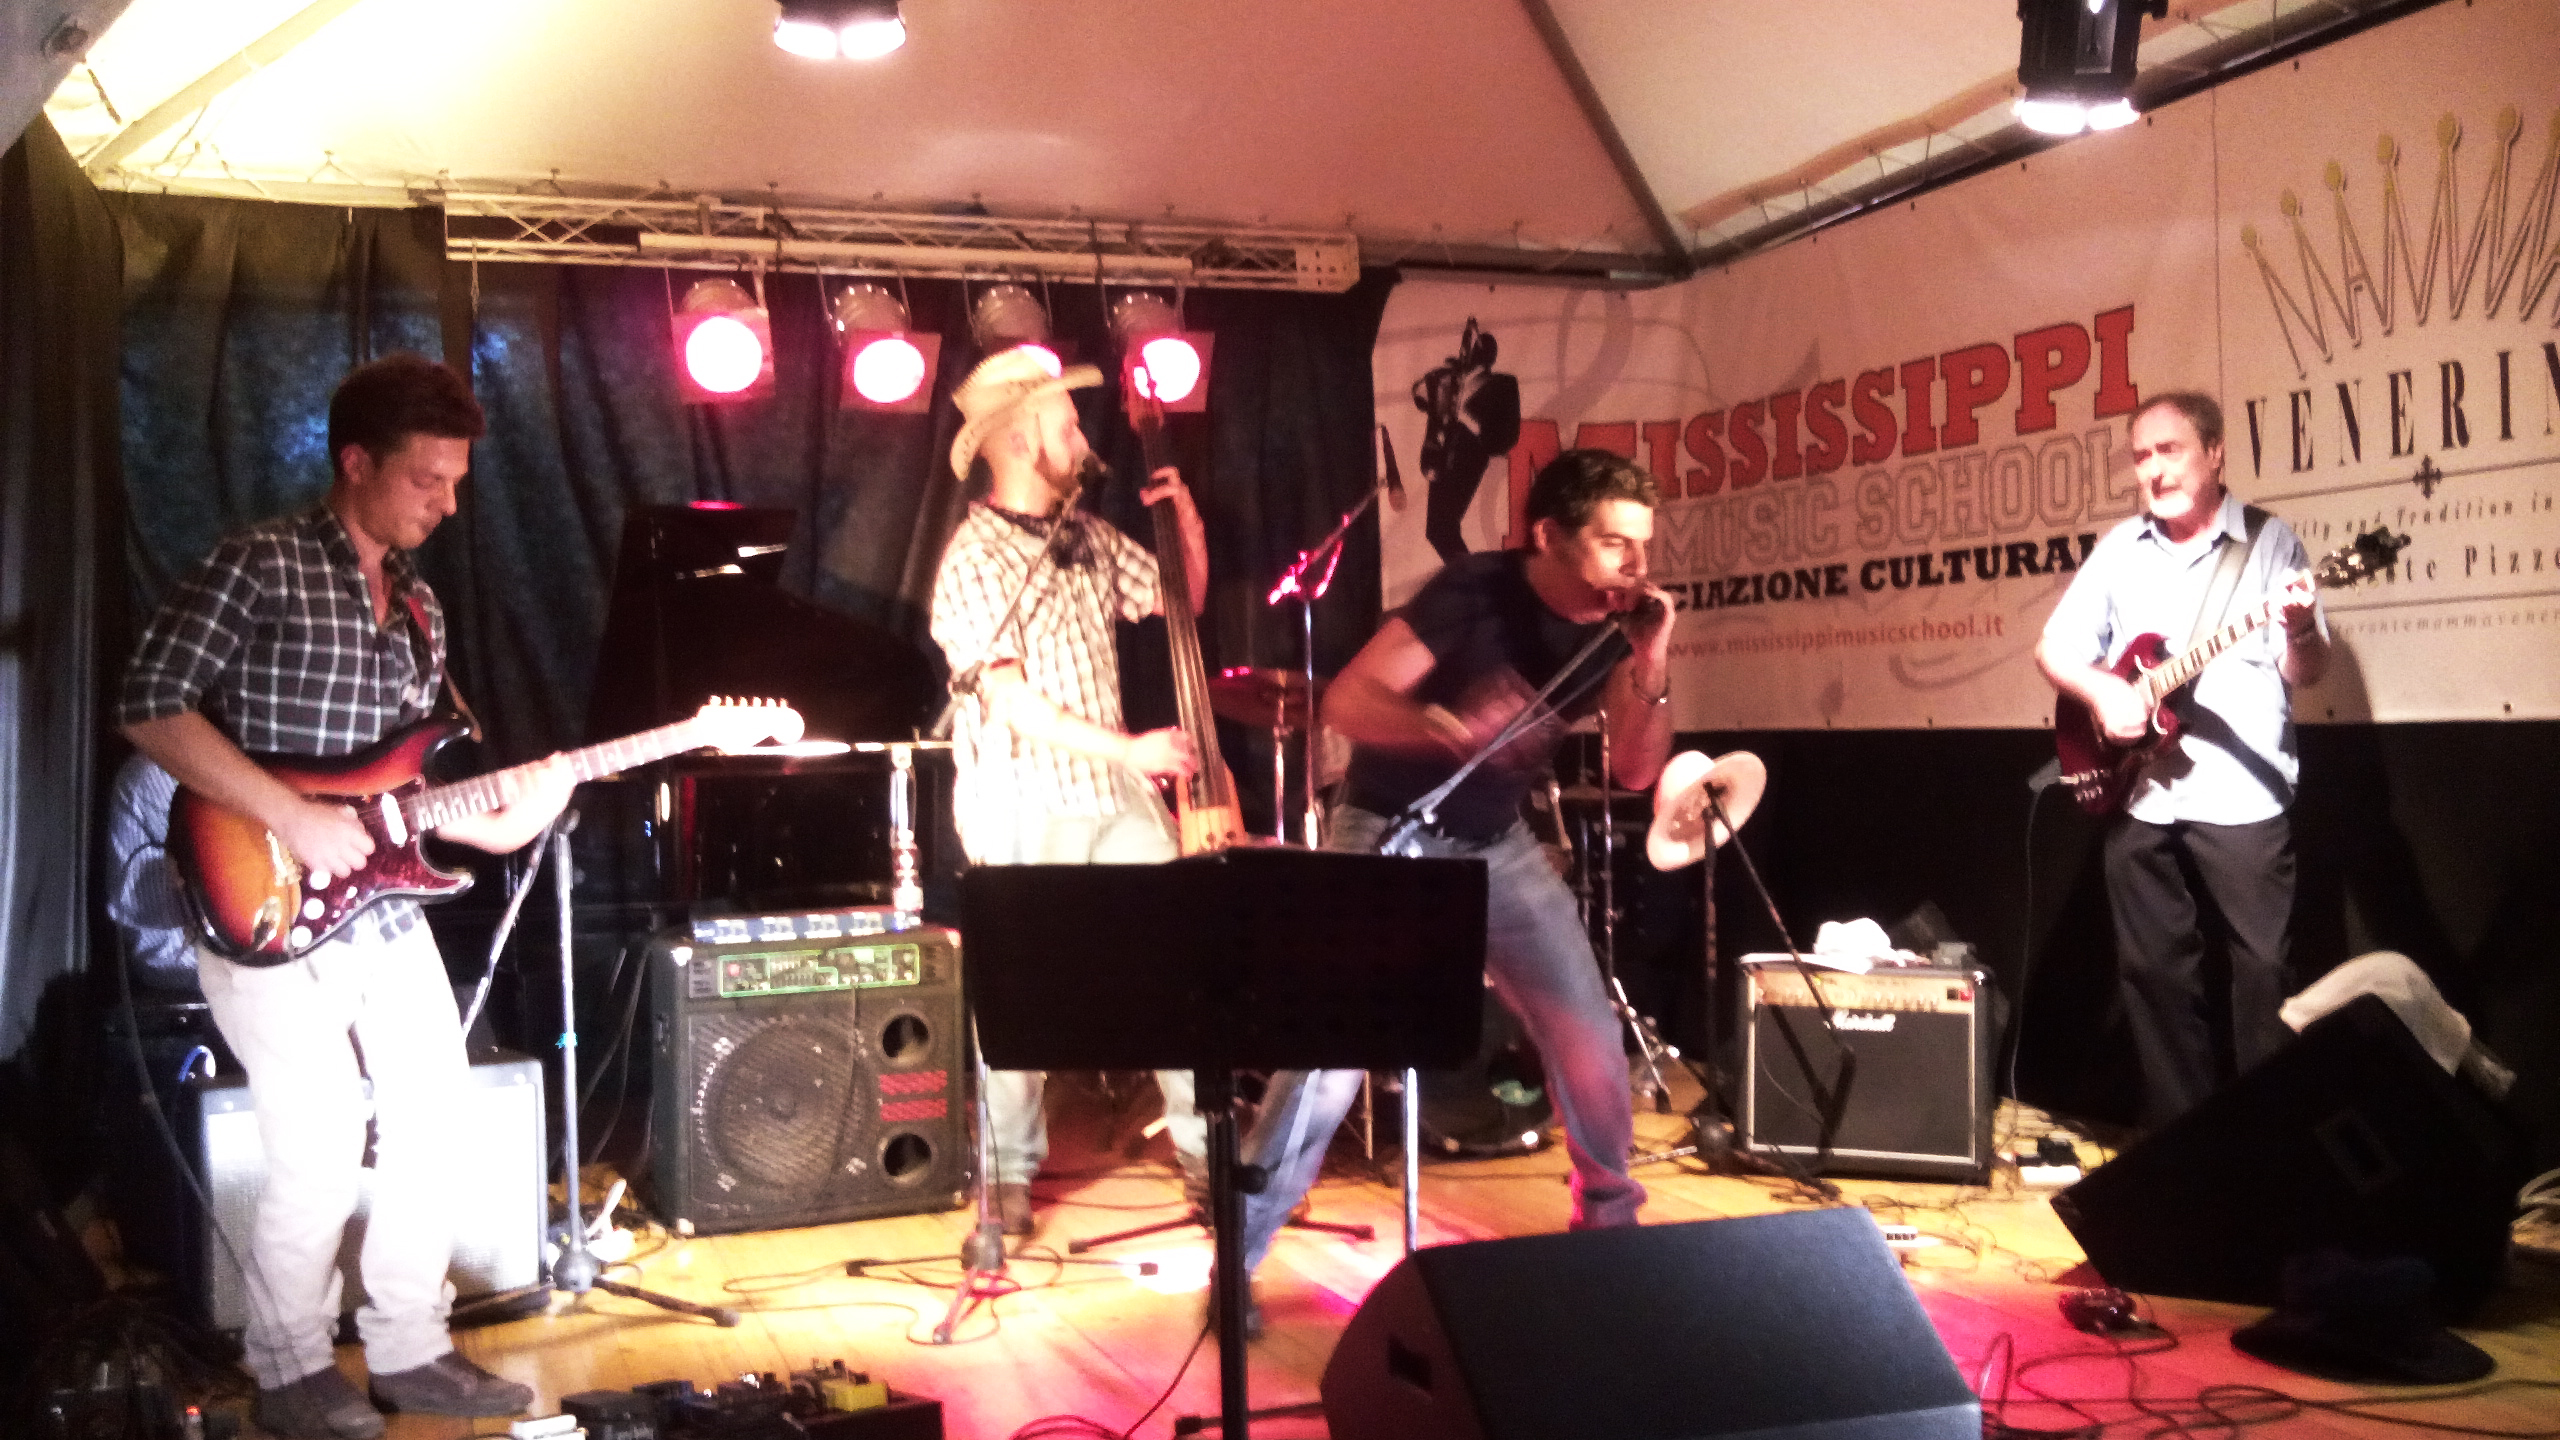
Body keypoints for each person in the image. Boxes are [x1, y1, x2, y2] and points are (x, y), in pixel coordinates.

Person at [119, 354, 572, 1440]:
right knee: (319, 1139)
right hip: (260, 900)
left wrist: (513, 815)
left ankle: (409, 1346)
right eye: (426, 479)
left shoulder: (420, 604)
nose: (446, 503)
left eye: (456, 483)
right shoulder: (260, 562)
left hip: (381, 909)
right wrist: (288, 814)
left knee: (438, 1115)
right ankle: (289, 1367)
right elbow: (149, 704)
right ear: (356, 461)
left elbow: (408, 794)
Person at [1231, 449, 1675, 1333]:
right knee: (1328, 1061)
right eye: (1612, 544)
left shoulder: (1617, 627)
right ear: (1548, 537)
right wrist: (1446, 729)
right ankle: (1237, 1251)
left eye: (1643, 546)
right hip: (1390, 828)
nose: (1635, 566)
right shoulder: (1474, 591)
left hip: (1494, 844)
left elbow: (1634, 769)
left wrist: (1652, 659)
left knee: (1587, 1034)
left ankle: (1609, 1238)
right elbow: (1350, 702)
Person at [927, 346, 1213, 1237]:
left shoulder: (1085, 534)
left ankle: (1209, 1159)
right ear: (1021, 437)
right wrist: (1133, 747)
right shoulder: (973, 558)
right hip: (1025, 797)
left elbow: (1181, 599)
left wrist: (1186, 521)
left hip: (1112, 791)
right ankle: (1007, 1178)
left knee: (1184, 966)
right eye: (1068, 425)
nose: (1084, 440)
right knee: (1024, 999)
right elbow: (1013, 705)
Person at [2035, 390, 2330, 1130]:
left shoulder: (2269, 543)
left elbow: (2306, 671)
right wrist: (2103, 692)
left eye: (2169, 451)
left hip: (2243, 793)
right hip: (2143, 790)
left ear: (2215, 453)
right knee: (2152, 975)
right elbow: (2053, 649)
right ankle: (2184, 1141)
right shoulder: (2120, 549)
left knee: (2265, 974)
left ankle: (2267, 1139)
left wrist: (2298, 626)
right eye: (2141, 457)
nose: (2153, 471)